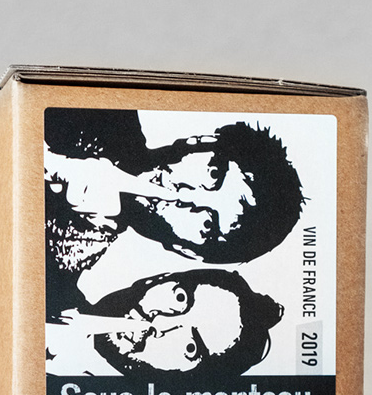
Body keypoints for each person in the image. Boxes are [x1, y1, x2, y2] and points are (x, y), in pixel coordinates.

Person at [44, 111, 304, 280]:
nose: (186, 198)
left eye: (208, 224)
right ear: (199, 142)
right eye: (214, 174)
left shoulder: (58, 277)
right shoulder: (100, 110)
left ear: (188, 251)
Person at [45, 268, 283, 377]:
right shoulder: (47, 275)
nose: (159, 325)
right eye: (181, 298)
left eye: (191, 347)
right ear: (157, 279)